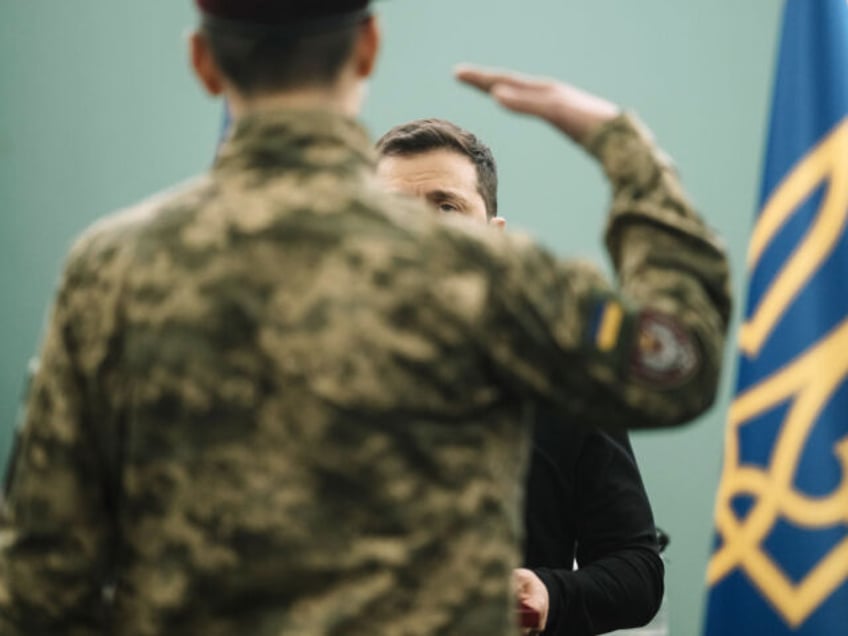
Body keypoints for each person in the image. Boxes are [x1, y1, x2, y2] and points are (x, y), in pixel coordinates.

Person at [0, 0, 732, 633]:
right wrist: (621, 147)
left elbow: (36, 582)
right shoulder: (484, 281)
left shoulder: (112, 274)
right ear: (368, 47)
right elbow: (680, 363)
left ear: (203, 61)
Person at [375, 112, 664, 635]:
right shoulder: (303, 369)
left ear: (494, 236)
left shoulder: (564, 380)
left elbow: (637, 570)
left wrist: (551, 594)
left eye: (447, 206)